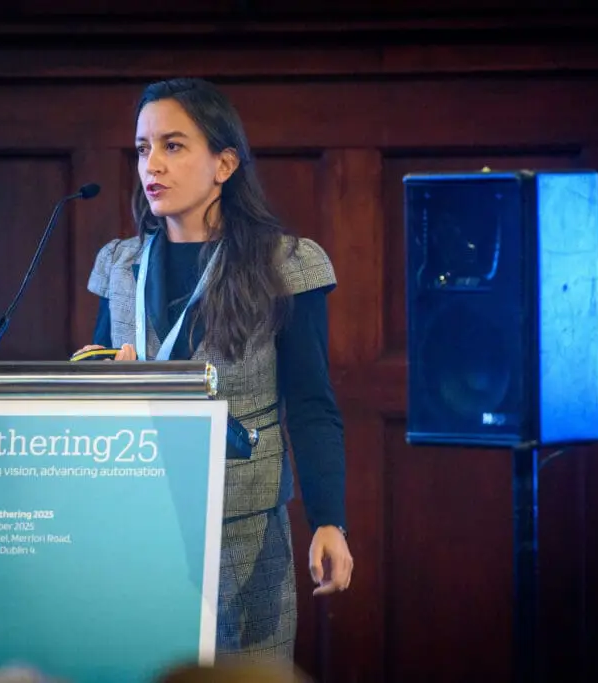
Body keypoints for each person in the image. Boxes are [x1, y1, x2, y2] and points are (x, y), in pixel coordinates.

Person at [76, 77, 353, 662]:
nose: (152, 165)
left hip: (242, 532)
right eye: (143, 148)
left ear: (224, 164)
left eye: (173, 146)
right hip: (134, 523)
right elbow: (95, 392)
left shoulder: (285, 264)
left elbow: (311, 405)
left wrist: (329, 521)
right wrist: (106, 383)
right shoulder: (120, 265)